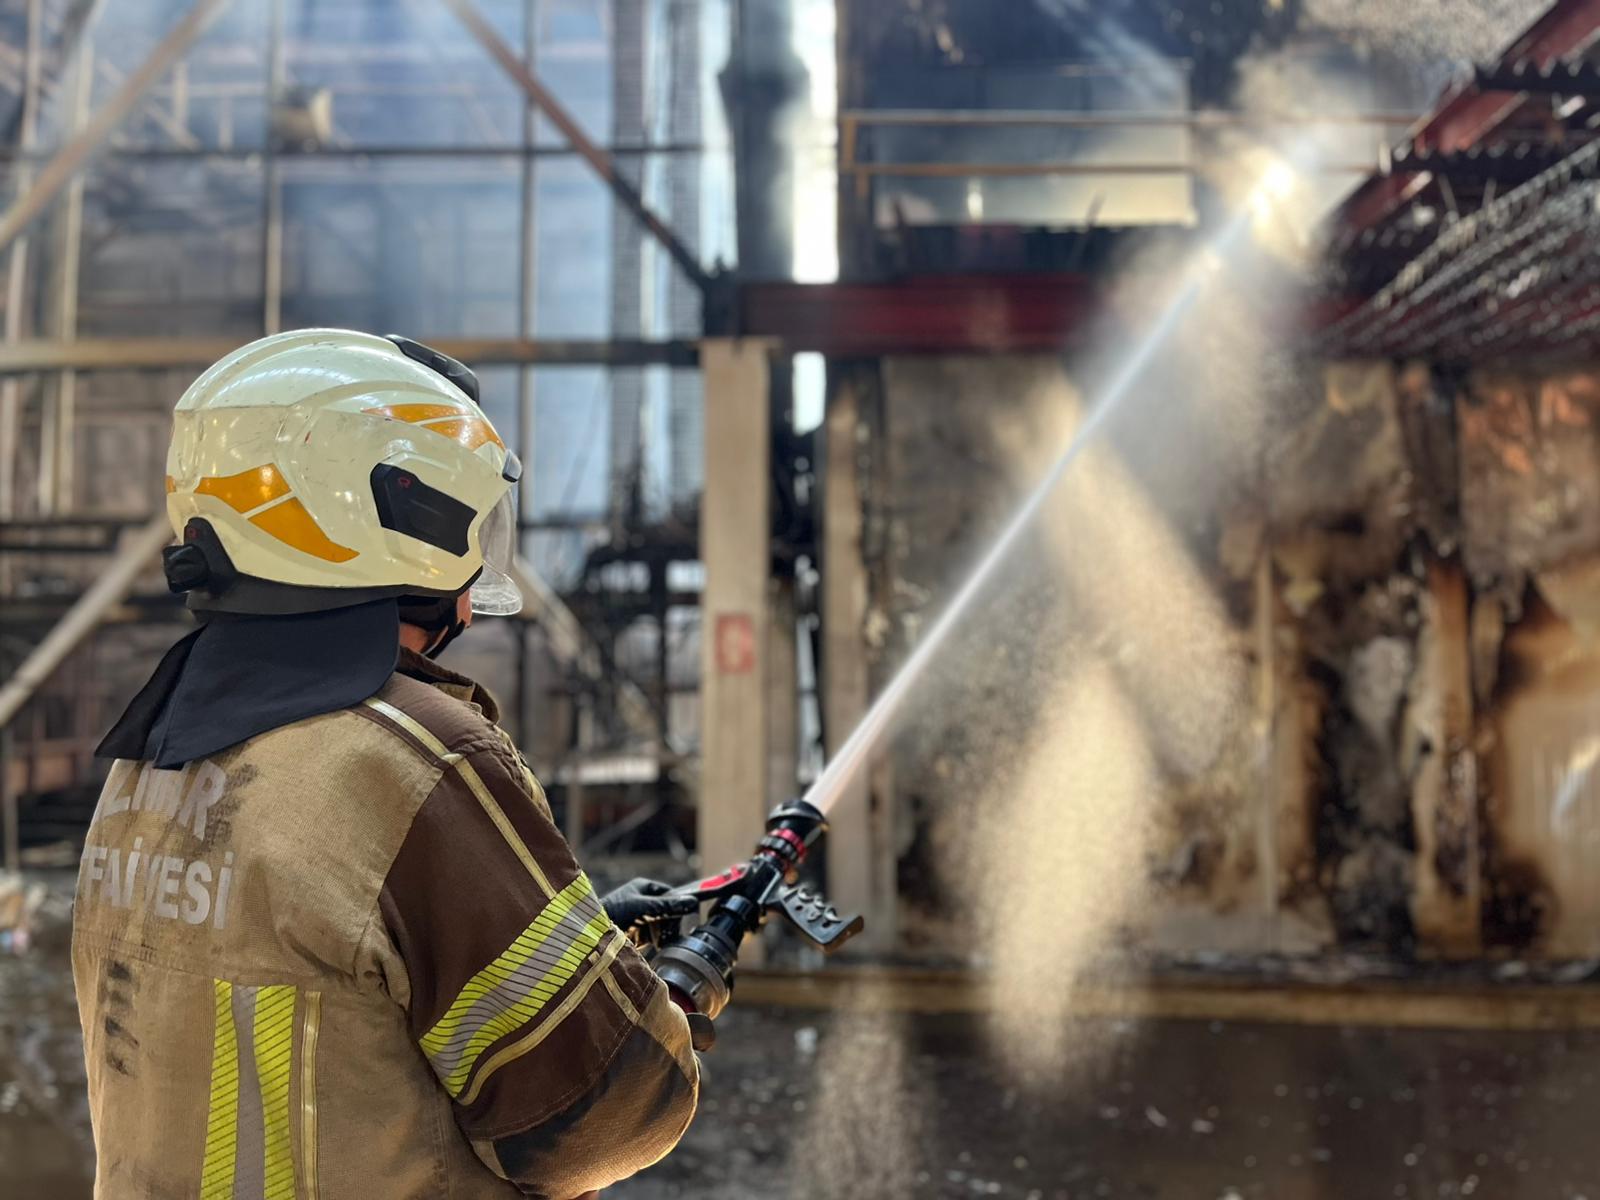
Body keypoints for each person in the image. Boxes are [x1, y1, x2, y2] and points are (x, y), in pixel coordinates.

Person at [72, 330, 702, 1200]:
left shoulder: (143, 760)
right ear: (406, 516)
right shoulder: (422, 760)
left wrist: (578, 947)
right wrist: (661, 999)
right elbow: (603, 1113)